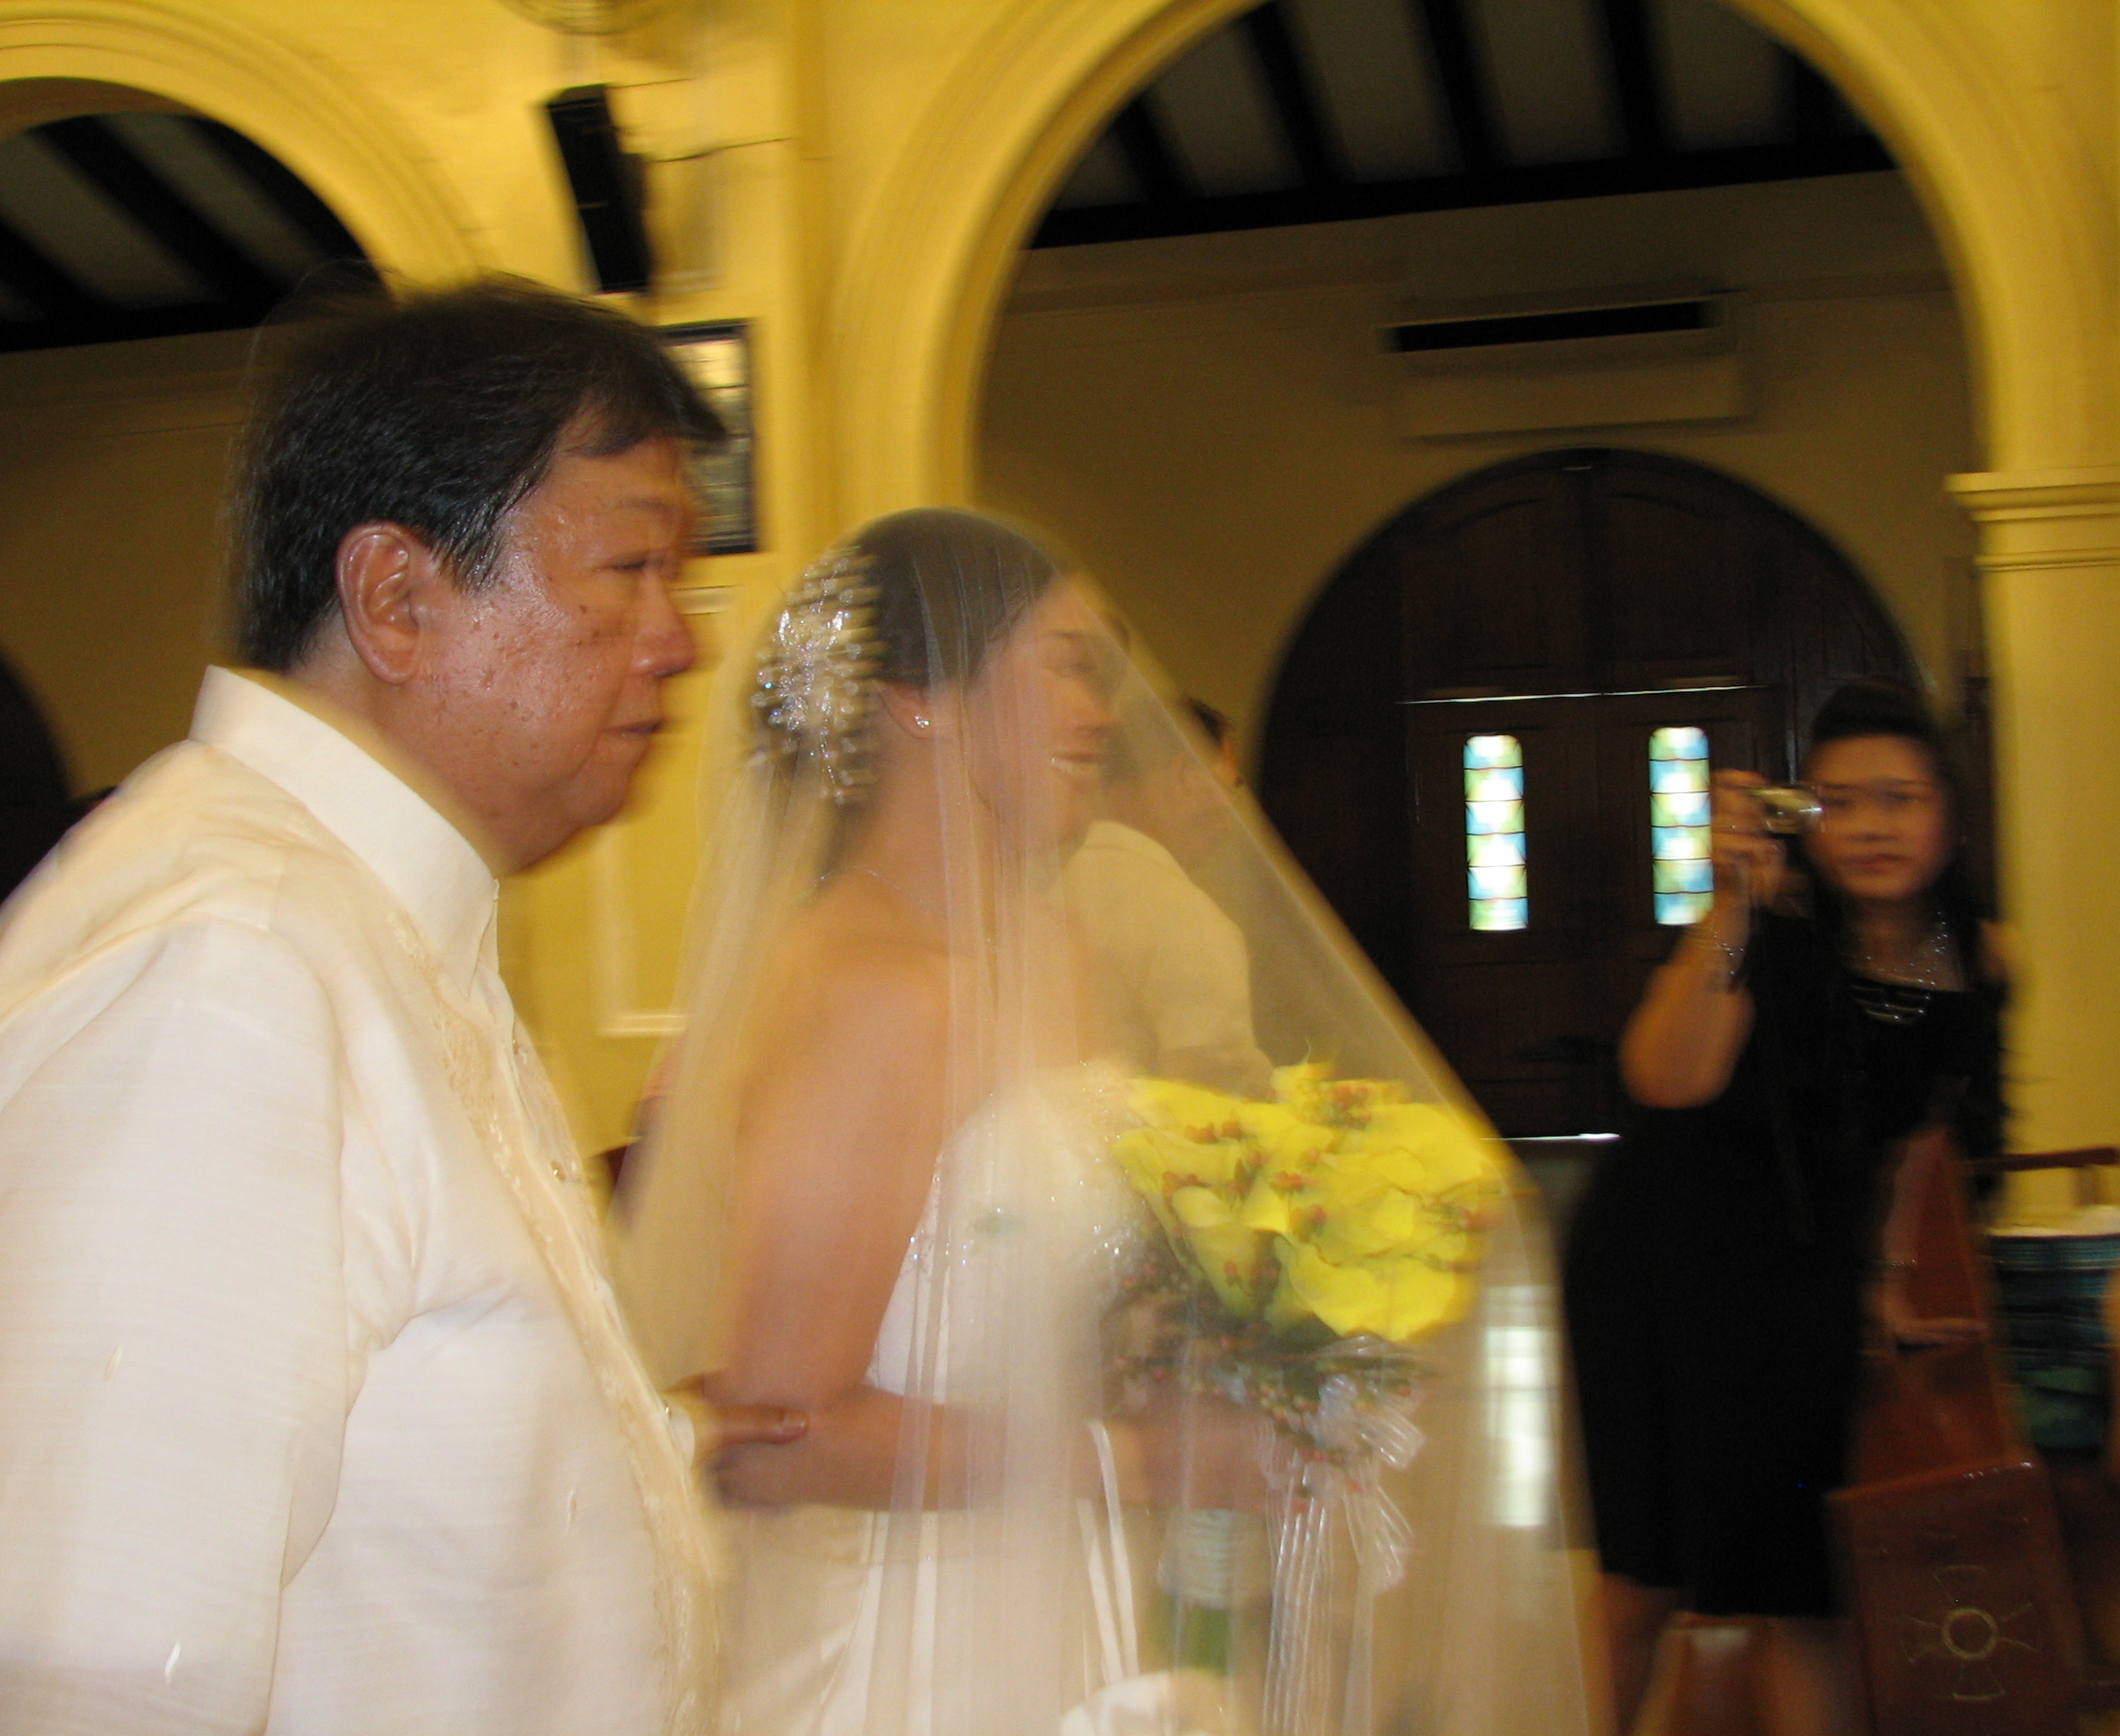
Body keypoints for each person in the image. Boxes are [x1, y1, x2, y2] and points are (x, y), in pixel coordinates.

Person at [0, 281, 805, 1736]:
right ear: (397, 600)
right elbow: (92, 1678)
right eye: (629, 568)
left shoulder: (371, 928)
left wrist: (655, 1443)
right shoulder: (218, 973)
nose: (679, 641)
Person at [616, 508, 1594, 1735]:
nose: (1099, 714)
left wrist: (1233, 1348)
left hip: (1069, 1588)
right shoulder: (872, 990)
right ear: (919, 699)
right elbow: (774, 1442)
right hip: (907, 1642)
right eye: (1066, 665)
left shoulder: (1051, 951)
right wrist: (1143, 1458)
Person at [1563, 680, 2005, 1736]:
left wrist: (1885, 1282)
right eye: (1840, 803)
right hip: (1662, 1263)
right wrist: (1731, 907)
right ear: (1802, 819)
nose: (1872, 827)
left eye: (1900, 798)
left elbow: (1924, 1135)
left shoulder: (1980, 958)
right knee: (1647, 1574)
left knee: (1802, 1577)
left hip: (1804, 1284)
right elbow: (1665, 1077)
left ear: (1948, 812)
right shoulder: (1777, 924)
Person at [1063, 697, 1272, 1096]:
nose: (1229, 822)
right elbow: (1219, 1083)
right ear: (1183, 774)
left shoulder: (1048, 886)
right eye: (1228, 788)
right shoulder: (1185, 915)